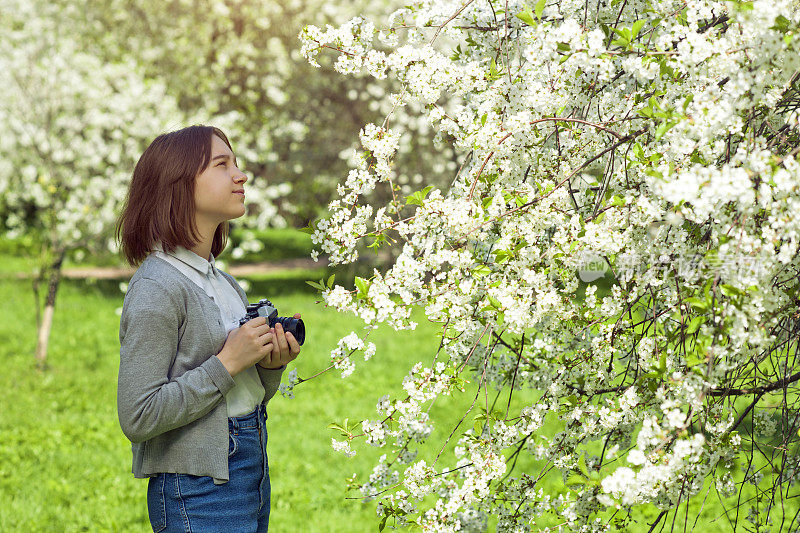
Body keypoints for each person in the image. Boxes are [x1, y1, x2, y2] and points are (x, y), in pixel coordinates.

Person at [115, 125, 301, 532]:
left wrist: (268, 364)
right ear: (178, 185)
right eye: (222, 165)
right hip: (197, 489)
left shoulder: (222, 282)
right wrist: (228, 361)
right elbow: (137, 416)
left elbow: (241, 394)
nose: (241, 175)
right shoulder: (157, 287)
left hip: (250, 468)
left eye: (236, 163)